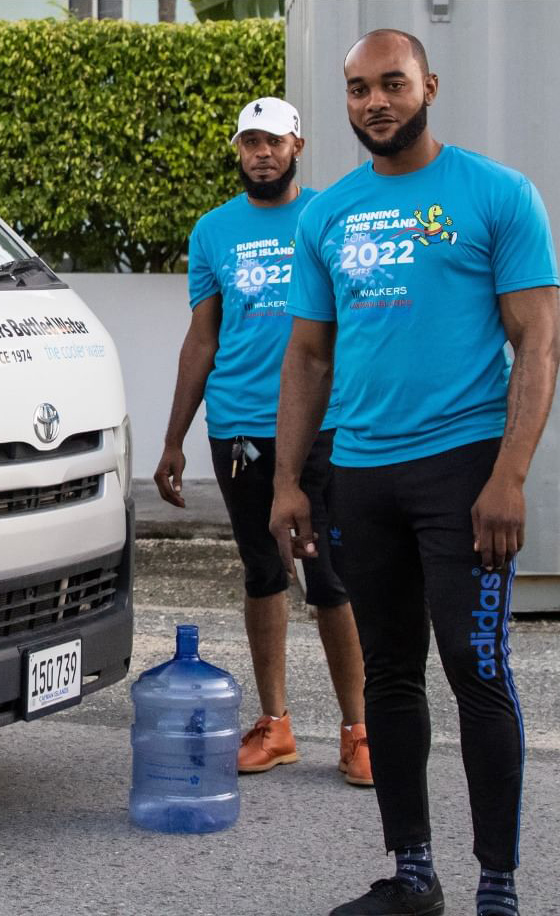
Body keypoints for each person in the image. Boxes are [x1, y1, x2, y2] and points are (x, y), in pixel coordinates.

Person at [271, 29, 559, 916]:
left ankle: (498, 885)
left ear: (429, 85)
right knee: (390, 673)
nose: (374, 103)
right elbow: (309, 358)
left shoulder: (498, 195)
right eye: (358, 90)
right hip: (361, 474)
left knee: (477, 668)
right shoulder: (328, 213)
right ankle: (413, 875)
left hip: (463, 473)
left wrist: (509, 478)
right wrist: (289, 481)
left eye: (391, 84)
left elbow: (539, 339)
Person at [154, 97, 372, 786]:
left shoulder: (330, 217)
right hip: (239, 428)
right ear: (238, 150)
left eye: (273, 141)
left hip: (324, 427)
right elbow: (202, 338)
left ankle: (359, 732)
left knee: (331, 579)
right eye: (250, 142)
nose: (262, 153)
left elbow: (361, 322)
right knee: (262, 573)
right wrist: (173, 440)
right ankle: (276, 725)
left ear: (298, 145)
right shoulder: (214, 231)